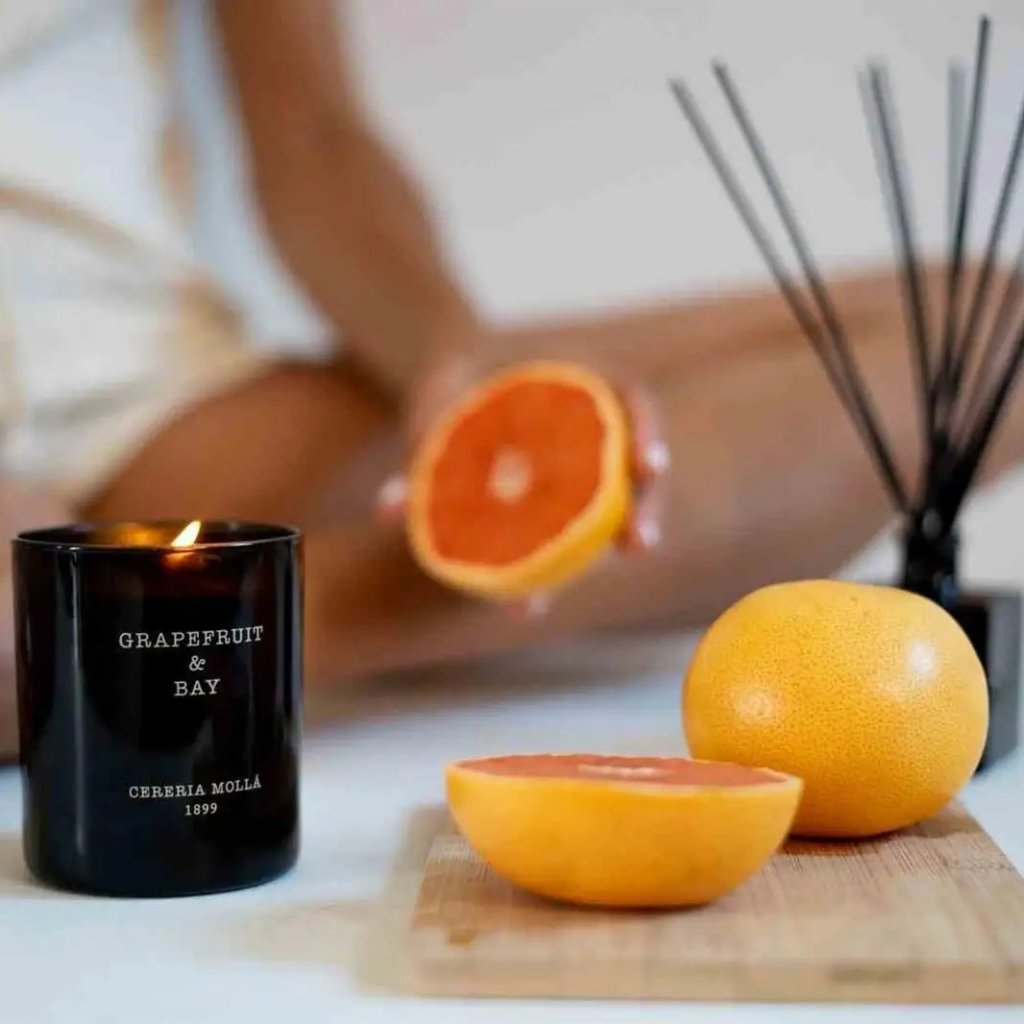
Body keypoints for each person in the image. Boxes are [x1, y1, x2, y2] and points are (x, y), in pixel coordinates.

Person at [1, 1, 1023, 762]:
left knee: (987, 332)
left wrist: (454, 358)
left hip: (159, 403)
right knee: (26, 632)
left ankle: (156, 637)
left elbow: (313, 139)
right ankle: (138, 638)